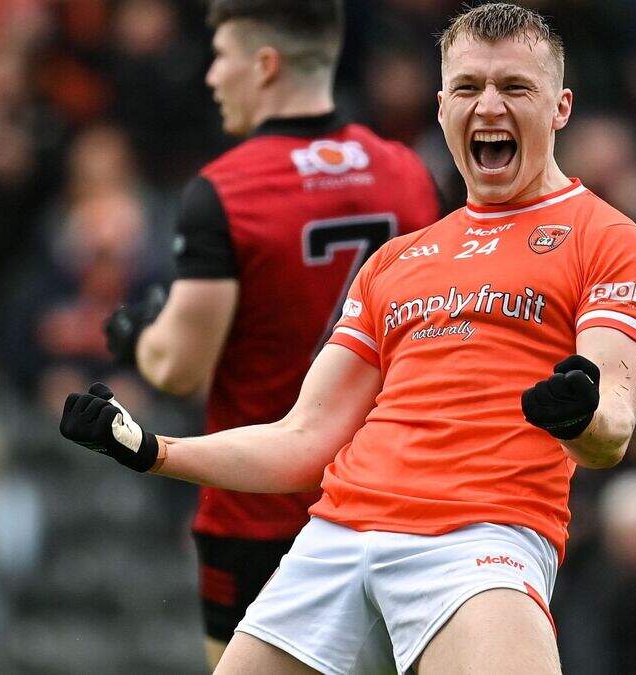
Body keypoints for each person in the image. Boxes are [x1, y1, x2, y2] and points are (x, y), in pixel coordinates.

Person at [64, 3, 636, 672]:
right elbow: (304, 438)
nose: (488, 106)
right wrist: (154, 449)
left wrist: (579, 415)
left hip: (479, 541)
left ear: (560, 108)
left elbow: (611, 426)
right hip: (338, 536)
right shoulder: (395, 260)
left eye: (515, 87)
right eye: (468, 87)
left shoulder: (611, 244)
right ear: (442, 107)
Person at [99, 0, 442, 667]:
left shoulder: (228, 190)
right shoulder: (408, 173)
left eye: (221, 57)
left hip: (259, 513)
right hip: (389, 504)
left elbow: (178, 367)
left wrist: (136, 333)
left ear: (264, 64)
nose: (211, 76)